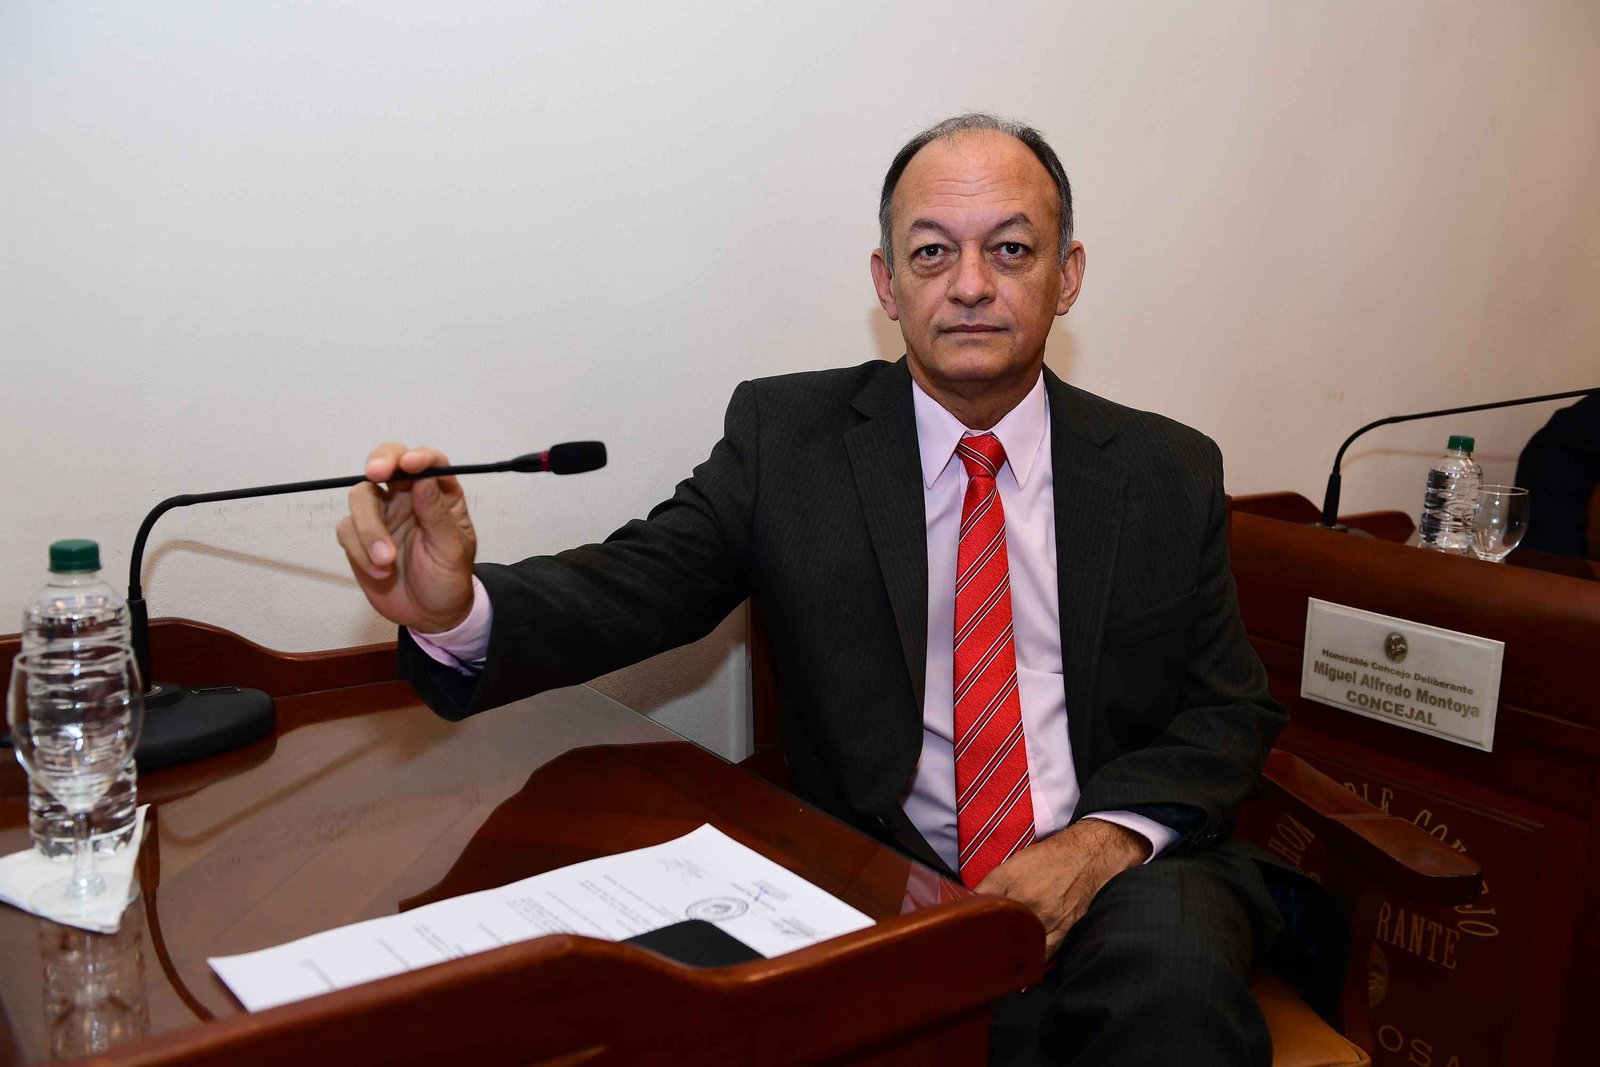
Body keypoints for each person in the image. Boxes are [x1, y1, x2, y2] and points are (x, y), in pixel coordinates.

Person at [338, 113, 1288, 1066]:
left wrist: (1099, 845)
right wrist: (458, 611)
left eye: (1010, 249)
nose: (969, 285)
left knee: (1173, 986)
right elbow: (641, 583)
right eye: (931, 252)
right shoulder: (788, 440)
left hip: (1122, 869)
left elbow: (1227, 708)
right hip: (879, 870)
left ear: (1067, 275)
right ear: (886, 283)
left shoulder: (1164, 469)